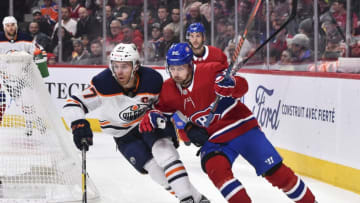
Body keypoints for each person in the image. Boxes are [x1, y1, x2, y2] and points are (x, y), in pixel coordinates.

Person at [140, 42, 317, 203]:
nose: (176, 73)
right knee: (214, 167)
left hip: (241, 127)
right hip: (215, 138)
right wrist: (153, 115)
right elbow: (161, 110)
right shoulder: (169, 89)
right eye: (172, 68)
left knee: (276, 173)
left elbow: (242, 86)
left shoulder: (210, 71)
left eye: (180, 68)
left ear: (190, 65)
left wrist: (231, 84)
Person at [62, 43, 210, 203]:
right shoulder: (103, 84)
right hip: (122, 135)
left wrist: (188, 124)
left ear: (136, 66)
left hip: (148, 123)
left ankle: (186, 199)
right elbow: (73, 103)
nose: (119, 71)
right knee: (153, 169)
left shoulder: (151, 80)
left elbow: (171, 104)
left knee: (165, 153)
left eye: (124, 66)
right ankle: (197, 199)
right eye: (115, 66)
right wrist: (78, 124)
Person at [0, 16, 48, 135]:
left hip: (25, 76)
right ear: (4, 27)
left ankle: (30, 123)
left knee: (27, 100)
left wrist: (41, 68)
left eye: (12, 25)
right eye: (7, 25)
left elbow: (40, 52)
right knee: (21, 102)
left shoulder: (26, 38)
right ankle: (35, 120)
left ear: (16, 25)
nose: (10, 28)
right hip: (7, 78)